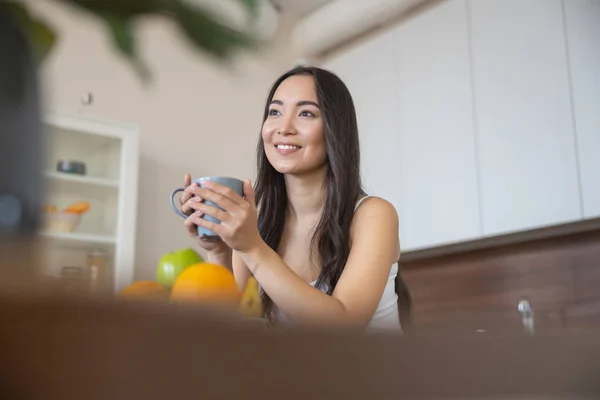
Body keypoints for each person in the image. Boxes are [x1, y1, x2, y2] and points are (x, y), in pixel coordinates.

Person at [179, 66, 410, 331]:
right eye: (275, 112)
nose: (283, 128)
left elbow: (343, 326)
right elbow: (229, 325)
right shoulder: (257, 223)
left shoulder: (373, 215)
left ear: (334, 130)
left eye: (306, 113)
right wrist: (219, 249)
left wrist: (252, 248)